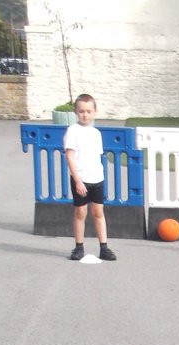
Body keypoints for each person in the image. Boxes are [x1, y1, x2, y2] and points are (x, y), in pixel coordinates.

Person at [64, 93, 116, 262]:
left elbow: (96, 156)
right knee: (80, 212)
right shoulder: (72, 131)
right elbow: (70, 156)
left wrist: (100, 176)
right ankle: (79, 247)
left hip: (97, 178)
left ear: (94, 112)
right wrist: (77, 180)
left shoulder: (96, 133)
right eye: (81, 111)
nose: (85, 115)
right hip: (81, 179)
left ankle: (104, 247)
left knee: (98, 212)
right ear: (76, 112)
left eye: (88, 111)